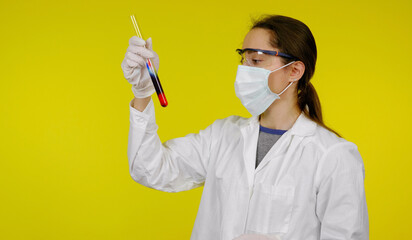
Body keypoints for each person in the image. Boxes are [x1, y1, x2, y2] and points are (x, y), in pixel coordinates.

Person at [121, 15, 369, 240]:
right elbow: (149, 168)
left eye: (256, 60)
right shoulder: (223, 136)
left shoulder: (333, 156)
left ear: (294, 70)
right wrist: (143, 92)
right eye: (243, 59)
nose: (244, 69)